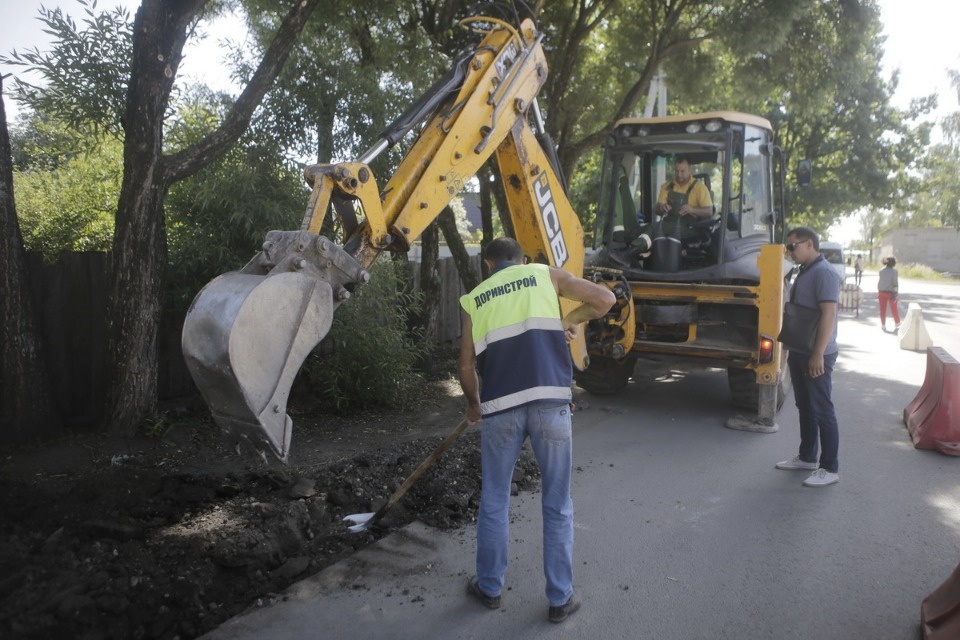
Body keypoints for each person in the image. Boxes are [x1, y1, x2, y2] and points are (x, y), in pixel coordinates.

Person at [458, 237, 616, 623]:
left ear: (488, 265)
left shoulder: (474, 299)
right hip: (551, 406)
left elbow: (464, 368)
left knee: (494, 500)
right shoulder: (545, 275)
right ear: (522, 259)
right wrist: (571, 320)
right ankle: (560, 599)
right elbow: (605, 299)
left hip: (499, 410)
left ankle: (490, 588)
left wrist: (474, 404)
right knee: (557, 503)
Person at [775, 227, 842, 488]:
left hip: (817, 353)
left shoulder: (824, 273)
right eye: (789, 247)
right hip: (801, 349)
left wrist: (818, 354)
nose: (790, 251)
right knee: (805, 406)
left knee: (822, 409)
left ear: (810, 244)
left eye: (793, 246)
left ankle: (830, 467)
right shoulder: (805, 270)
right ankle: (807, 457)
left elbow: (828, 315)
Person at [652, 156, 714, 241]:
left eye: (682, 171)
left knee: (655, 229)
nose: (679, 174)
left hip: (689, 227)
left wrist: (692, 209)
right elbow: (657, 210)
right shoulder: (667, 186)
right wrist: (661, 208)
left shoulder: (699, 188)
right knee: (651, 227)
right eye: (676, 171)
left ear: (689, 170)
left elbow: (709, 211)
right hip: (668, 223)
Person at [878, 257, 901, 333]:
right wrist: (896, 293)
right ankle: (897, 323)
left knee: (882, 309)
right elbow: (895, 283)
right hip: (891, 293)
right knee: (894, 308)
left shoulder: (881, 271)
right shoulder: (894, 272)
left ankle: (883, 324)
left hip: (881, 291)